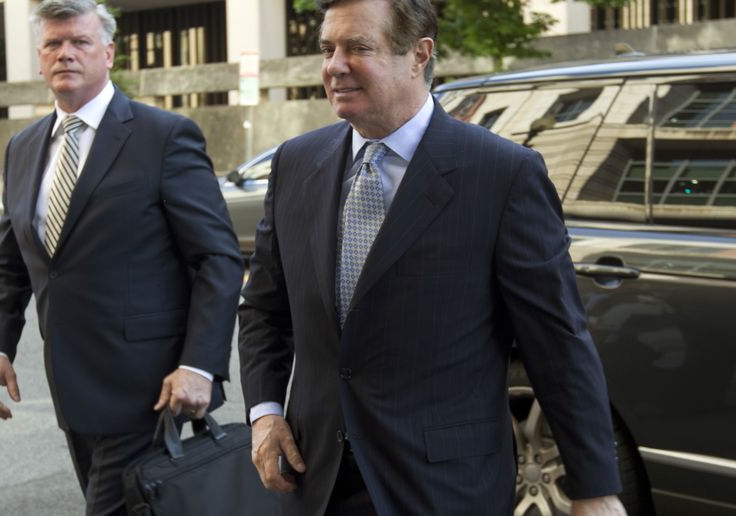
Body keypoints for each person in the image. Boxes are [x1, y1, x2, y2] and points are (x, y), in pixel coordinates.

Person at [238, 0, 628, 514]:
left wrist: (594, 487)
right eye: (327, 48)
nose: (334, 65)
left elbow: (558, 343)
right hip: (316, 484)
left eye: (357, 47)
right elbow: (265, 309)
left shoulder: (502, 175)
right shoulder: (296, 162)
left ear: (419, 55)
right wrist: (265, 413)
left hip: (443, 488)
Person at [0, 0, 242, 514]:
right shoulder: (23, 147)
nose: (66, 54)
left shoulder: (163, 136)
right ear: (39, 57)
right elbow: (12, 266)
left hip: (152, 392)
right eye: (54, 43)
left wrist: (199, 365)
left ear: (109, 53)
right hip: (73, 394)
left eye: (80, 42)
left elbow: (218, 258)